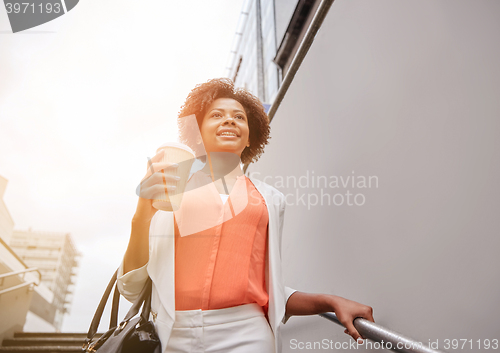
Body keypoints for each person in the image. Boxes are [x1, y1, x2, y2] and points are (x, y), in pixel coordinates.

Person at [117, 78, 374, 353]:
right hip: (172, 335)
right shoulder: (171, 192)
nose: (229, 121)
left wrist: (329, 301)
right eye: (216, 115)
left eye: (238, 117)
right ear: (199, 134)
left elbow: (268, 289)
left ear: (250, 135)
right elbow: (132, 285)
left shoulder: (270, 201)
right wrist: (143, 210)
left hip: (247, 336)